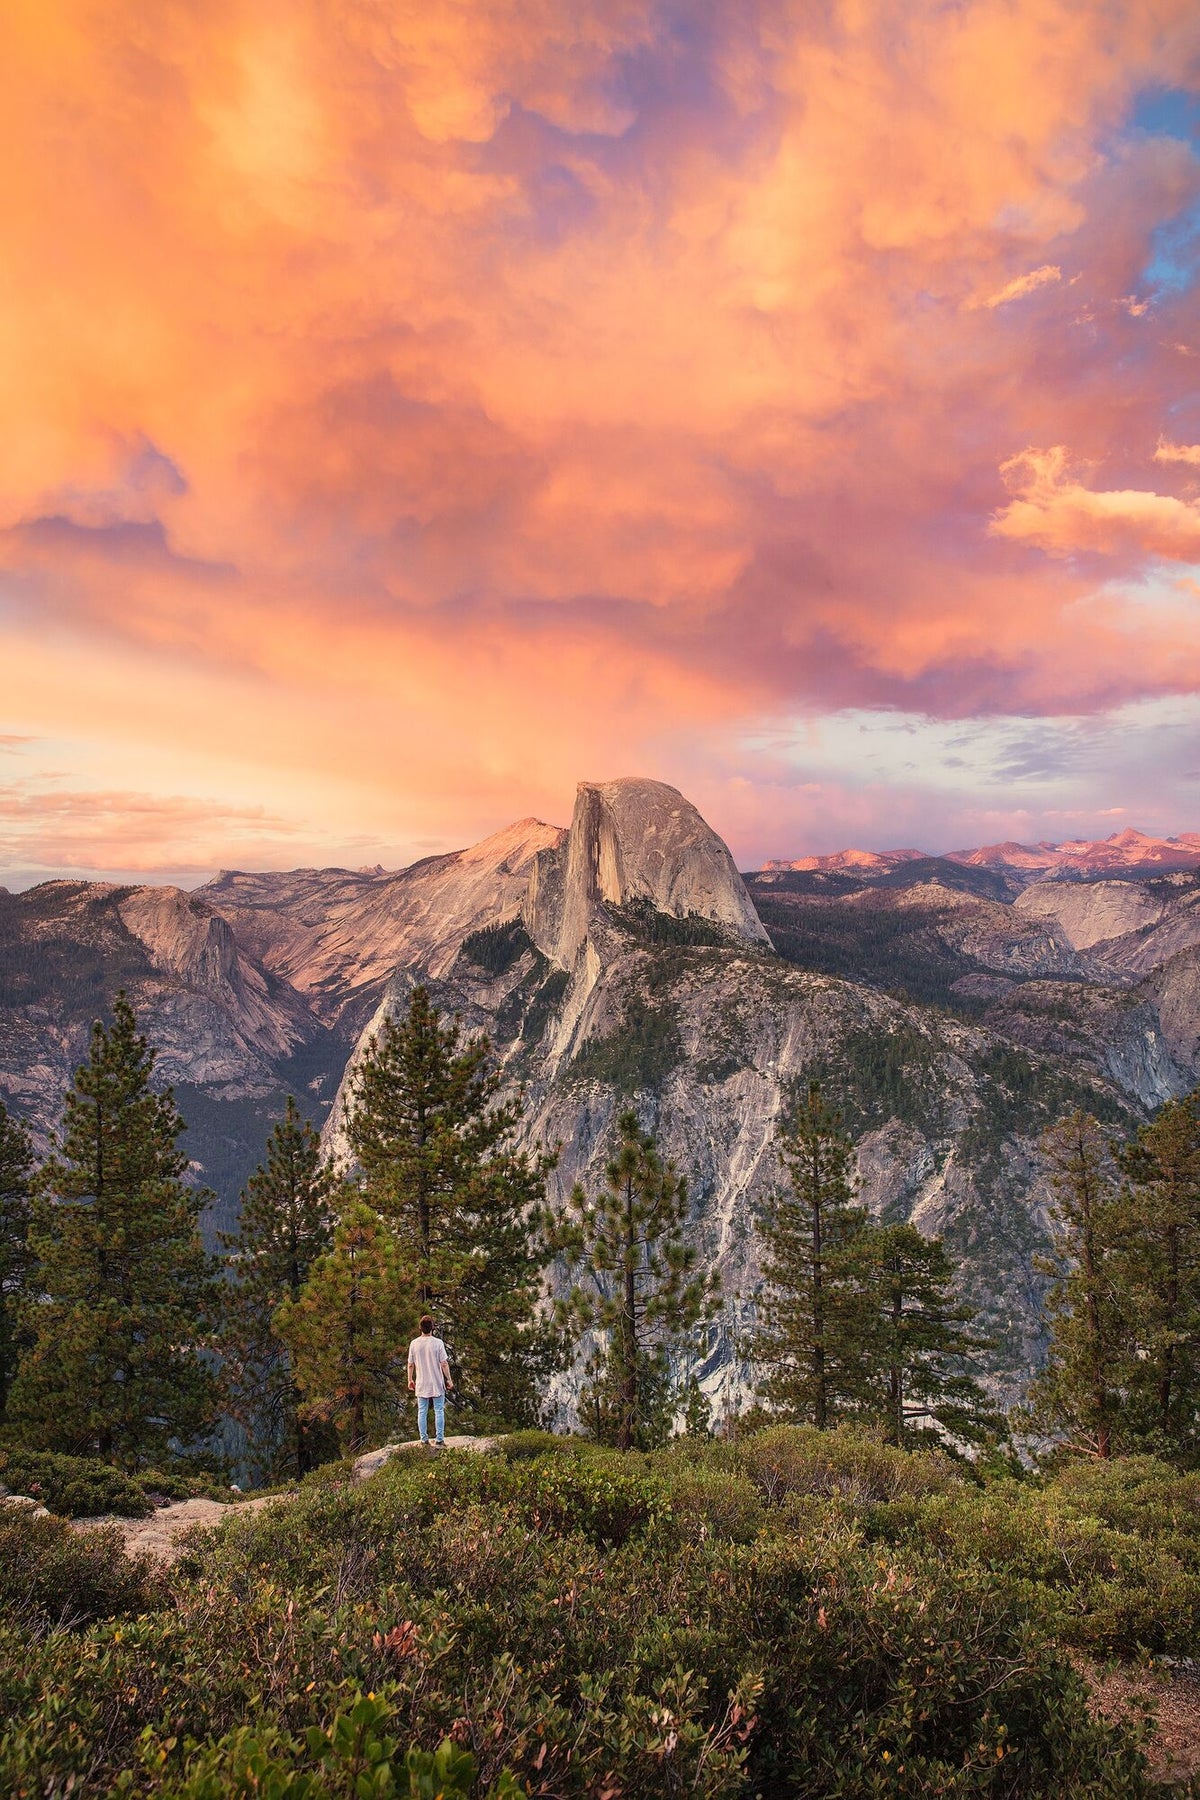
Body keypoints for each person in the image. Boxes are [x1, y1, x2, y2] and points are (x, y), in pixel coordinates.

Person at [407, 1314, 453, 1447]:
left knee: (422, 1411)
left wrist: (410, 1379)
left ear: (420, 1328)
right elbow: (444, 1363)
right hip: (436, 1382)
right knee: (439, 1410)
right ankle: (439, 1439)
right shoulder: (438, 1343)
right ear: (432, 1327)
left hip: (421, 1382)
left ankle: (424, 1439)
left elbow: (410, 1364)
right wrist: (449, 1379)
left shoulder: (414, 1343)